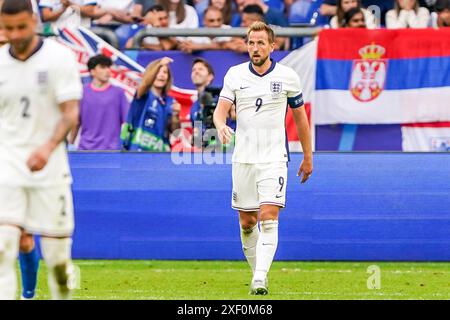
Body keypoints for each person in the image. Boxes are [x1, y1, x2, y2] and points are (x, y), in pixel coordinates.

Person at [213, 21, 313, 295]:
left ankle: (259, 278)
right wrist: (221, 125)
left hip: (274, 157)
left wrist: (307, 155)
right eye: (251, 43)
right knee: (247, 223)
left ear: (272, 46)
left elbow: (301, 119)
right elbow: (220, 111)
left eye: (260, 43)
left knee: (268, 217)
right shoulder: (234, 75)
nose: (255, 48)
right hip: (244, 158)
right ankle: (260, 273)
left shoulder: (288, 76)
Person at [0, 0, 82, 300]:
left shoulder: (59, 58)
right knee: (3, 247)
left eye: (22, 26)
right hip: (7, 166)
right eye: (8, 28)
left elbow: (70, 112)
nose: (16, 34)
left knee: (58, 260)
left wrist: (47, 147)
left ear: (34, 21)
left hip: (50, 167)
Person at [69, 55, 130, 151]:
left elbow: (127, 123)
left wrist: (123, 143)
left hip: (112, 151)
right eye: (102, 67)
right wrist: (70, 144)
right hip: (85, 151)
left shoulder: (119, 93)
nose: (107, 70)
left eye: (108, 67)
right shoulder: (81, 92)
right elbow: (76, 122)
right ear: (92, 71)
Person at [121, 57, 181, 151]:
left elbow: (175, 132)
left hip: (159, 153)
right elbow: (145, 83)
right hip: (137, 151)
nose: (161, 75)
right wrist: (159, 63)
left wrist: (175, 116)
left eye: (165, 72)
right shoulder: (143, 94)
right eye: (158, 71)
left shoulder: (170, 101)